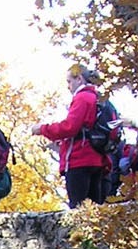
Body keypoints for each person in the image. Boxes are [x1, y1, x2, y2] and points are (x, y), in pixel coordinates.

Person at [32, 63, 105, 208]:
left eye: (69, 81)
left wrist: (43, 129)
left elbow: (70, 127)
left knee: (78, 208)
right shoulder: (98, 98)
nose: (68, 86)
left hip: (79, 159)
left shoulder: (82, 98)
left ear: (79, 79)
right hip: (97, 158)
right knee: (94, 209)